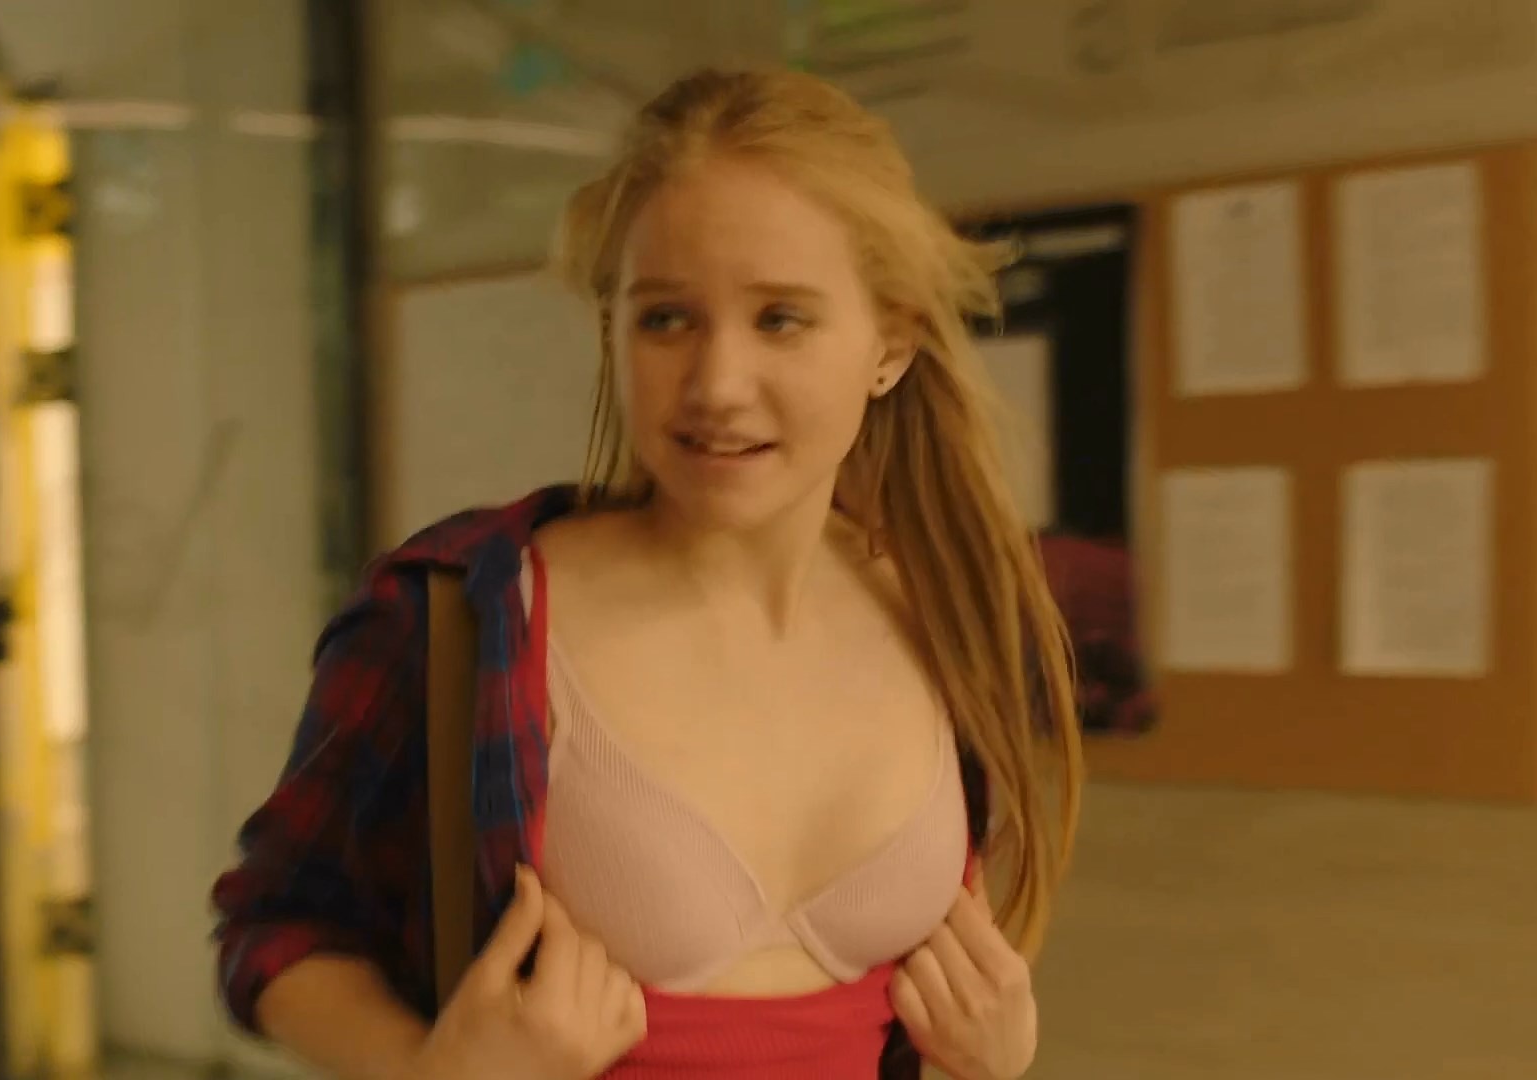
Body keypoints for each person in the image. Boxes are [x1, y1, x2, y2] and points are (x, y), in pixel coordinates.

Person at [210, 67, 1151, 1080]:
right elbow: (275, 924)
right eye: (666, 319)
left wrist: (995, 1062)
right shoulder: (464, 616)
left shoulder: (947, 607)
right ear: (612, 329)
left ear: (891, 341)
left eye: (780, 318)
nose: (717, 385)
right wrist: (431, 1069)